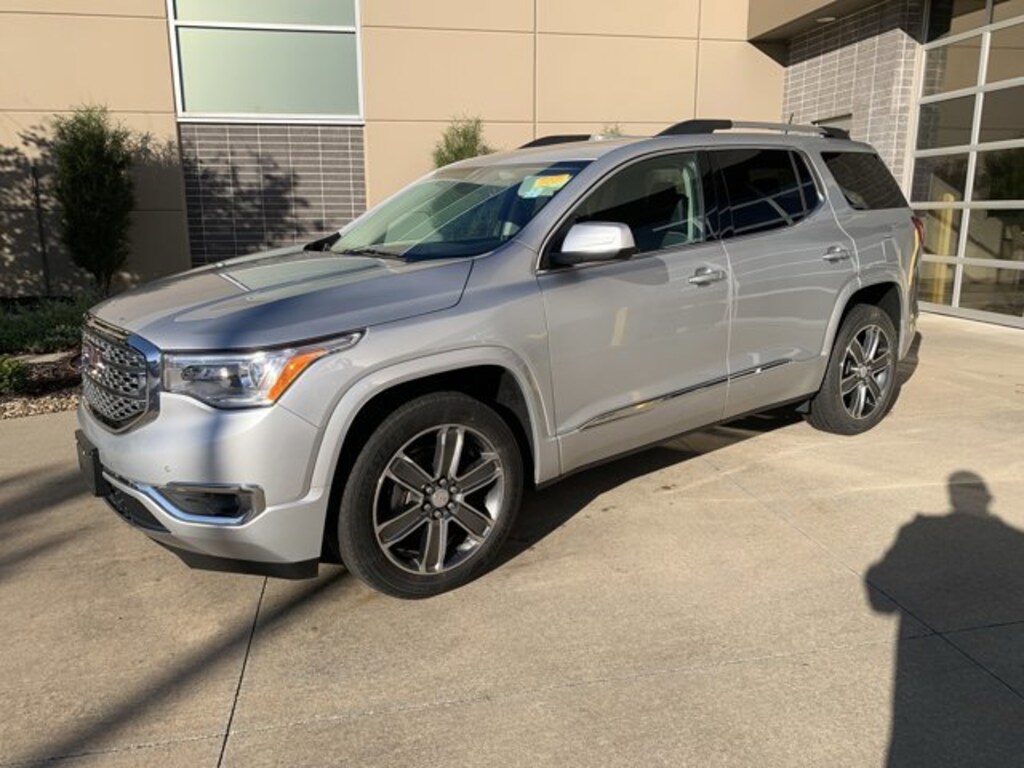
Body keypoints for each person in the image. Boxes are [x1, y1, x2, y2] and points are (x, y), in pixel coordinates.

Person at [866, 471, 1024, 766]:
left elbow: (880, 602)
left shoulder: (918, 531)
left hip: (926, 690)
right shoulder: (1016, 541)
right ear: (988, 497)